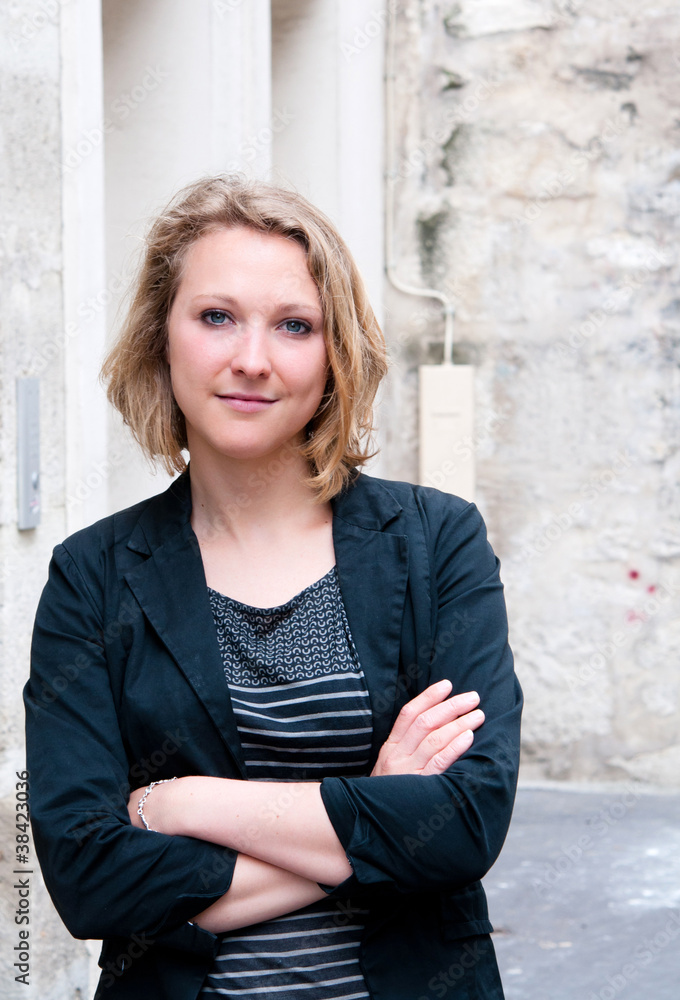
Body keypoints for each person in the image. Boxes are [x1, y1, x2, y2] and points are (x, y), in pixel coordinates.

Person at [24, 175, 522, 1000]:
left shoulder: (436, 543)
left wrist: (183, 802)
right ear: (162, 336)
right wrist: (376, 813)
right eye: (216, 316)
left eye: (295, 326)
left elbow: (462, 827)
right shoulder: (94, 576)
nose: (251, 359)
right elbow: (92, 881)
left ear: (335, 355)